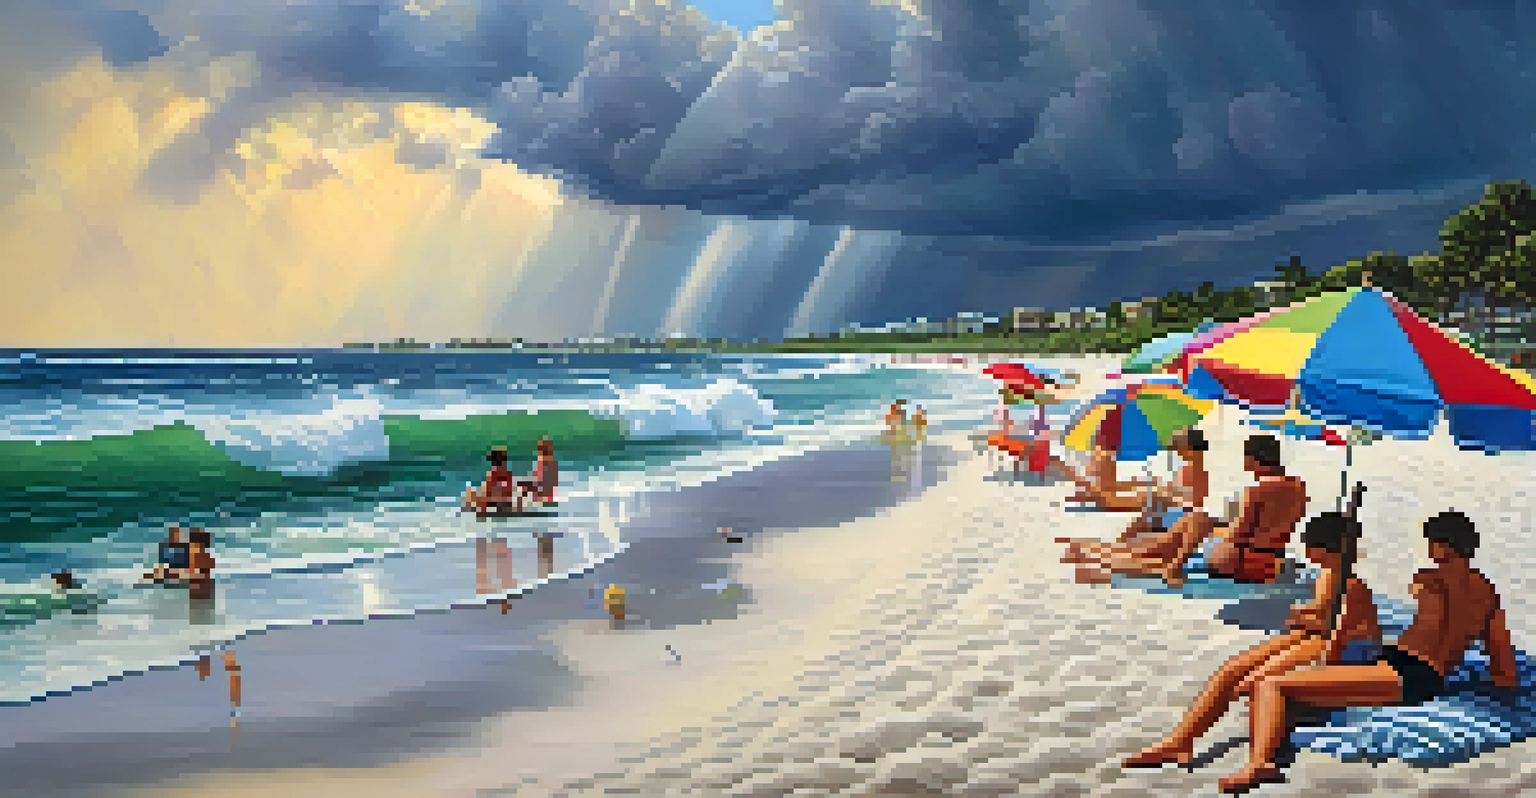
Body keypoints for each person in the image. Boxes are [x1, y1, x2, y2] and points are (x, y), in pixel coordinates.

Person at [1210, 510, 1518, 793]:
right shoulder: (1489, 595)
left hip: (1408, 673)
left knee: (1270, 684)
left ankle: (1260, 763)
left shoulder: (1428, 579)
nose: (1429, 550)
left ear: (1444, 546)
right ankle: (1270, 745)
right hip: (1411, 667)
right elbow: (1503, 664)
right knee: (1284, 693)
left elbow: (1422, 600)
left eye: (1431, 543)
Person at [1122, 512, 1383, 772]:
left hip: (1347, 645)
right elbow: (1319, 615)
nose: (1306, 553)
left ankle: (1262, 759)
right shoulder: (1327, 575)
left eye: (1310, 548)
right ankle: (1180, 742)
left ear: (1325, 549)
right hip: (1319, 634)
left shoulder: (1352, 587)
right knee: (1232, 669)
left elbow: (1338, 634)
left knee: (1257, 682)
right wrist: (1302, 617)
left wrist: (1292, 646)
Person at [1059, 428, 1209, 578]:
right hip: (1176, 511)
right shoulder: (1188, 467)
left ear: (1191, 449)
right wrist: (1166, 491)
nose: (1177, 453)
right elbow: (1185, 494)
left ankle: (1108, 545)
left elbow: (1194, 502)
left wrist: (1169, 496)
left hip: (1181, 514)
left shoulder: (1195, 469)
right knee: (1148, 500)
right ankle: (1112, 543)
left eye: (1180, 449)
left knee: (1149, 504)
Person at [464, 446, 518, 513]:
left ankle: (479, 511)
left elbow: (487, 492)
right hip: (506, 502)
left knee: (469, 493)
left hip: (494, 502)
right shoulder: (508, 474)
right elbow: (509, 490)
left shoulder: (492, 474)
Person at [518, 438, 559, 505]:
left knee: (521, 486)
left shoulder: (542, 461)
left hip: (541, 494)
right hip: (551, 495)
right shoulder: (554, 463)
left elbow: (539, 481)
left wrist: (528, 485)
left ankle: (522, 504)